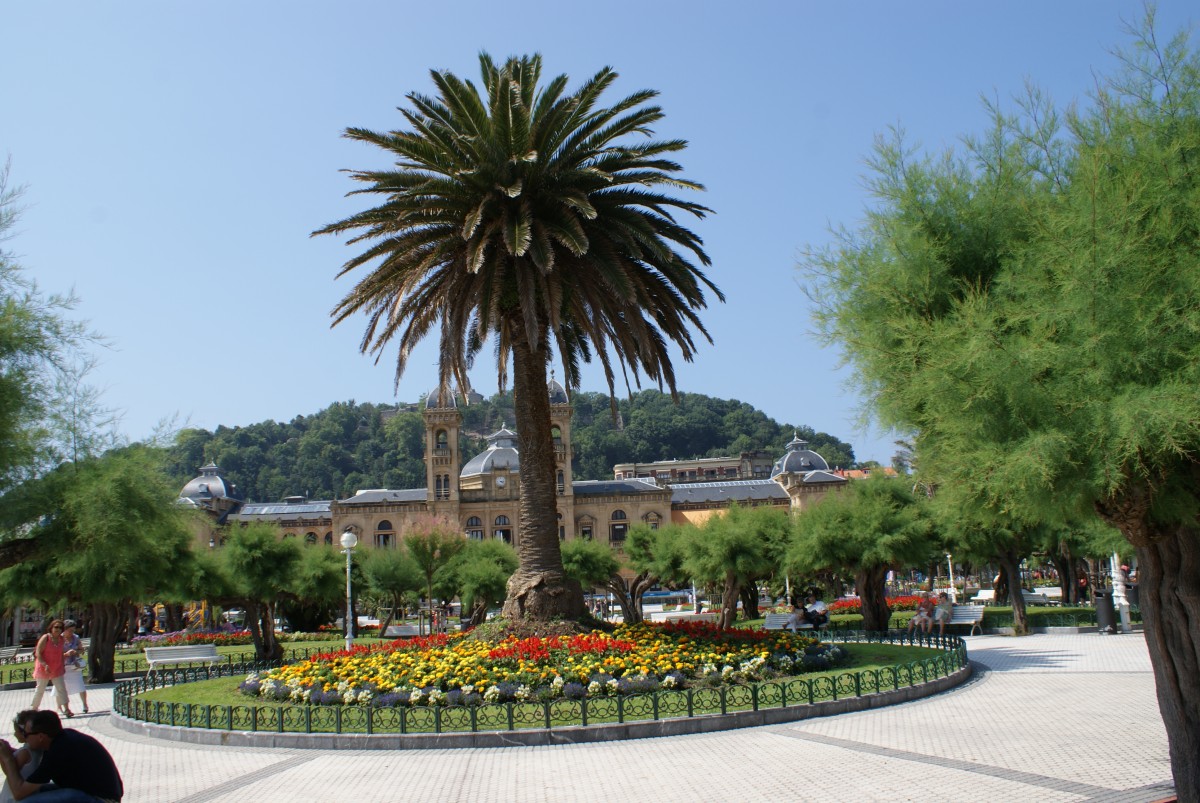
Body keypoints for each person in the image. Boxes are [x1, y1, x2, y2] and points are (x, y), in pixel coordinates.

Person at [0, 710, 123, 802]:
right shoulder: (60, 739)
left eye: (26, 734)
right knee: (37, 791)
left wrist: (8, 759)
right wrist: (9, 753)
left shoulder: (59, 751)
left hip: (102, 799)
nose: (24, 738)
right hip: (88, 792)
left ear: (41, 736)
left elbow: (19, 793)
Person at [0, 711, 43, 803]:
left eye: (16, 731)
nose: (14, 734)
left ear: (24, 733)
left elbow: (9, 771)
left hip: (12, 797)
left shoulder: (24, 752)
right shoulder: (36, 748)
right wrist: (9, 750)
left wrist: (2, 756)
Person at [31, 621, 71, 717]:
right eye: (56, 627)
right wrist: (44, 664)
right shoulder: (46, 638)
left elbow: (60, 653)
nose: (58, 629)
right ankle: (34, 710)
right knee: (40, 689)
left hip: (57, 667)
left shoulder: (61, 639)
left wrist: (63, 665)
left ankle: (67, 709)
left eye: (60, 628)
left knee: (61, 688)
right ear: (51, 628)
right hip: (43, 667)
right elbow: (38, 653)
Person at [60, 622, 88, 715]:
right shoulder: (60, 638)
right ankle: (64, 707)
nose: (72, 632)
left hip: (75, 665)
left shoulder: (76, 637)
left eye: (73, 630)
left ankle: (85, 704)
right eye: (70, 630)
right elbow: (56, 652)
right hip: (63, 665)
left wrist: (76, 651)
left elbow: (81, 649)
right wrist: (66, 654)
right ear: (64, 629)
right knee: (62, 688)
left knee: (80, 685)